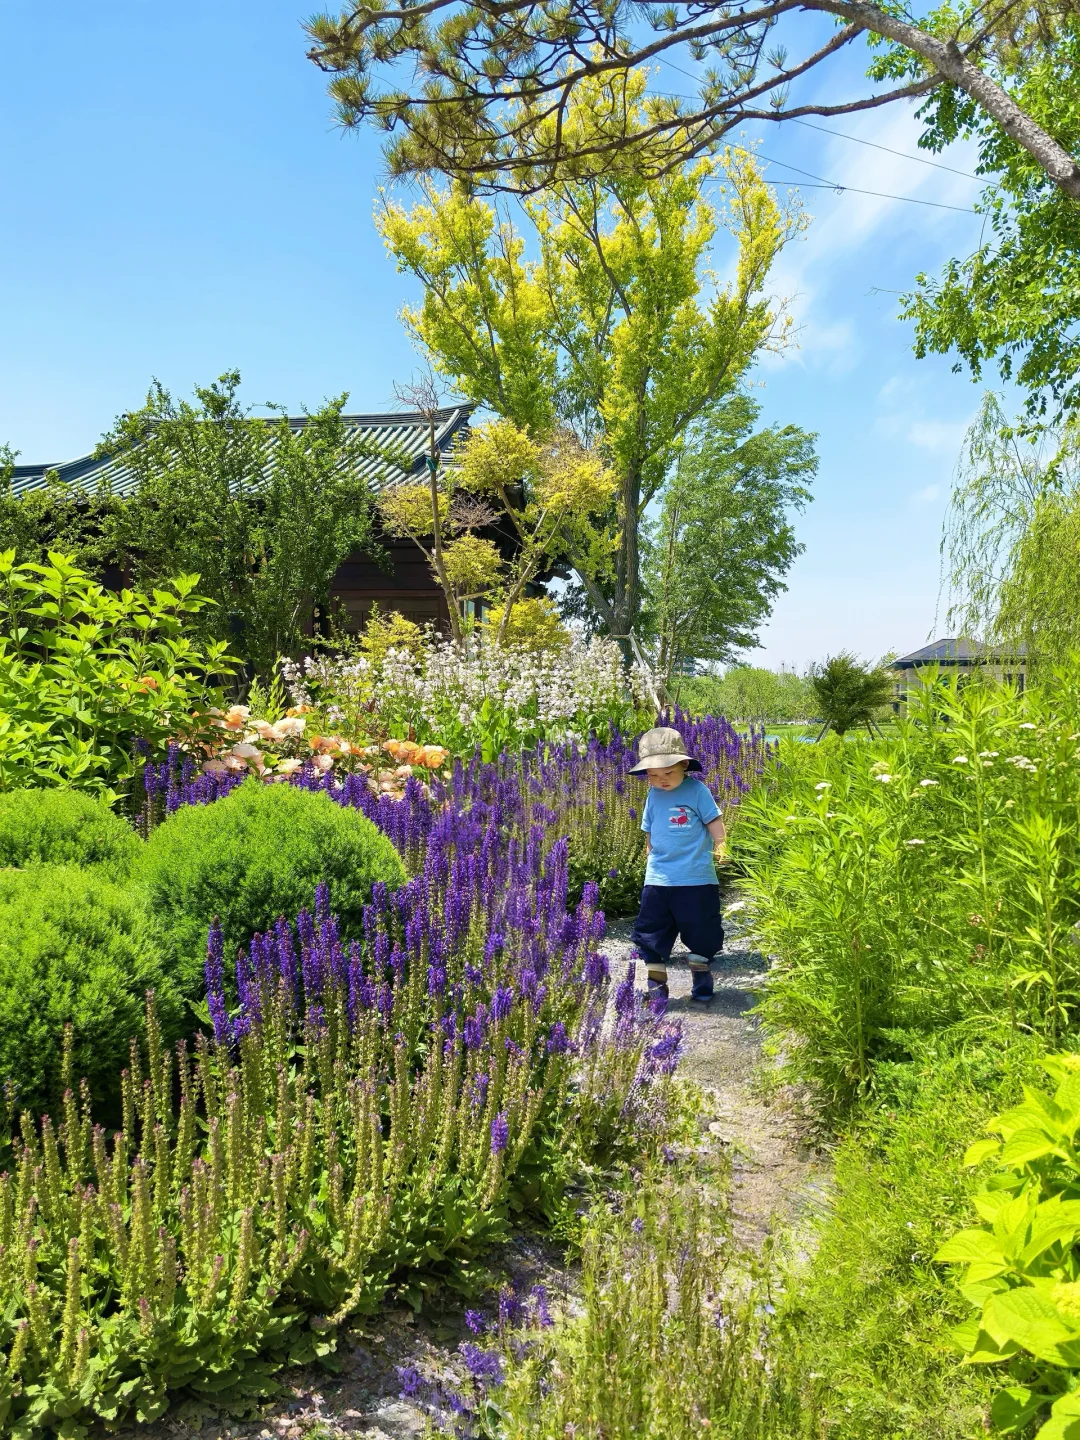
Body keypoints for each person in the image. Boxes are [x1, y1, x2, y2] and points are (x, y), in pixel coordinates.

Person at [629, 725, 727, 1008]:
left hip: (695, 878)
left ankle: (702, 980)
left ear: (684, 764)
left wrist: (721, 845)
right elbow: (649, 827)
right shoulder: (653, 795)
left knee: (701, 932)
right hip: (659, 878)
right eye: (653, 775)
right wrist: (648, 848)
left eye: (668, 773)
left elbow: (713, 821)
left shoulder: (697, 790)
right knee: (651, 933)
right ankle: (656, 987)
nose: (661, 780)